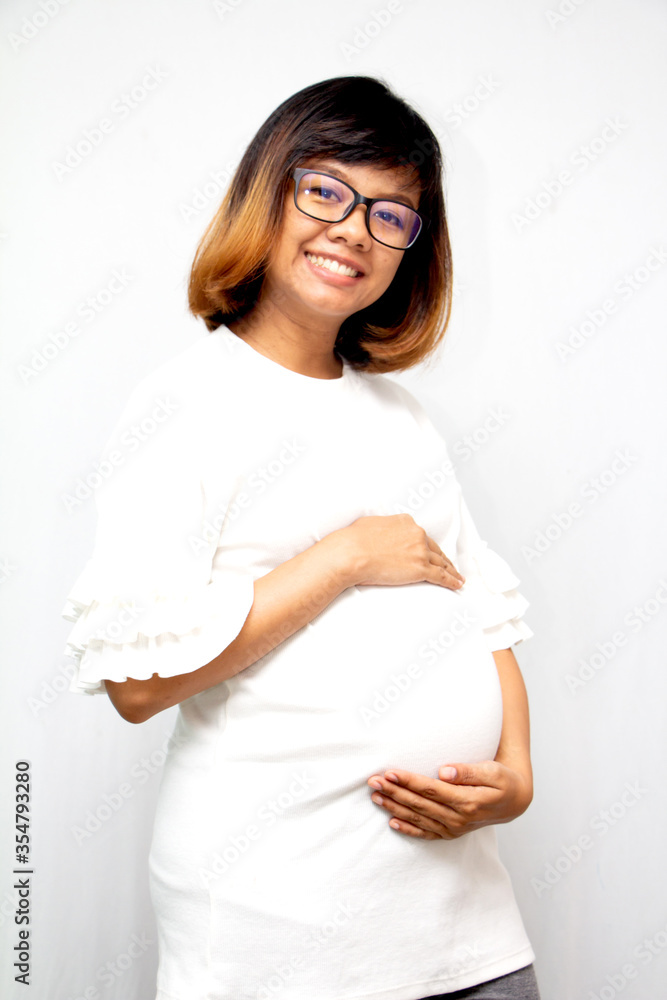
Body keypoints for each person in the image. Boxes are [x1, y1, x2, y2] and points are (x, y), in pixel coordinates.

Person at [61, 76, 541, 1000]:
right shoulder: (182, 406)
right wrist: (343, 558)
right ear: (266, 193)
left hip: (462, 918)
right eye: (325, 191)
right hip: (282, 927)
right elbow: (133, 684)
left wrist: (515, 774)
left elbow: (480, 609)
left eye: (391, 214)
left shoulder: (405, 419)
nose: (355, 229)